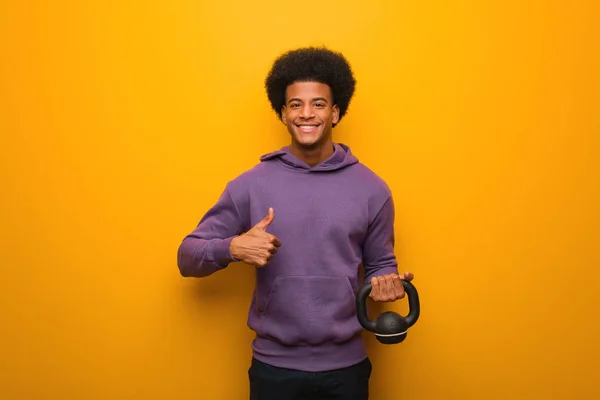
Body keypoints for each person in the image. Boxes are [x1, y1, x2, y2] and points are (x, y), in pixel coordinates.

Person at [177, 46, 415, 400]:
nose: (307, 114)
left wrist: (388, 283)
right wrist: (233, 247)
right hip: (274, 368)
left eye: (318, 104)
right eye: (295, 104)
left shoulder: (372, 189)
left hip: (346, 368)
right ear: (283, 114)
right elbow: (187, 257)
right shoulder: (250, 185)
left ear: (335, 113)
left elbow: (381, 262)